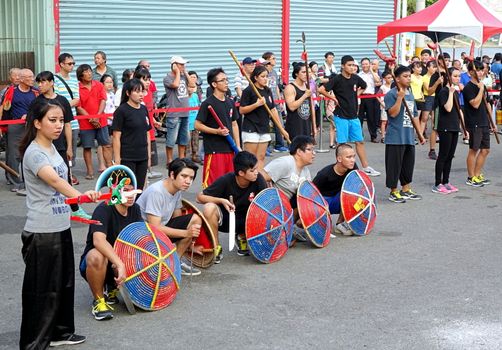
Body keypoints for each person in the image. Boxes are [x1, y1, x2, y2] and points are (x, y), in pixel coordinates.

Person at [18, 99, 99, 349]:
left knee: (63, 284)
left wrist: (78, 206)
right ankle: (34, 343)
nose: (57, 125)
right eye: (52, 120)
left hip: (60, 225)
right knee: (41, 291)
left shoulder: (54, 149)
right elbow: (54, 181)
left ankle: (60, 333)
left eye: (61, 120)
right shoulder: (34, 152)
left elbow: (64, 186)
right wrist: (81, 195)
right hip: (42, 232)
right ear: (37, 123)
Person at [31, 71, 91, 219]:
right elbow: (32, 126)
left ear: (52, 82)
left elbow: (68, 125)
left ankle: (76, 209)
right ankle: (50, 209)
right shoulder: (37, 103)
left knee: (66, 177)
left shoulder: (63, 100)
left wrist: (70, 146)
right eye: (38, 82)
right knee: (49, 179)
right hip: (43, 147)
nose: (40, 85)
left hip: (61, 146)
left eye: (43, 82)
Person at [79, 183, 142, 321]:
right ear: (115, 192)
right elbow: (98, 241)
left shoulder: (135, 208)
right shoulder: (104, 209)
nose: (131, 195)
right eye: (126, 191)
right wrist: (119, 263)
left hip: (119, 260)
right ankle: (99, 301)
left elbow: (139, 239)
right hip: (97, 263)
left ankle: (112, 286)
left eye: (134, 191)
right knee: (97, 255)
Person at [136, 158, 203, 276]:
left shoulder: (177, 189)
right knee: (188, 231)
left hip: (160, 229)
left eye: (191, 178)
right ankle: (169, 263)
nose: (188, 181)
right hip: (144, 235)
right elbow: (154, 227)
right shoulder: (156, 192)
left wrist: (186, 242)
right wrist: (186, 234)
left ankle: (175, 262)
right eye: (184, 176)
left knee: (195, 220)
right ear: (172, 174)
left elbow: (176, 218)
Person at [318, 55, 381, 177]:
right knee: (342, 145)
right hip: (341, 115)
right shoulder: (337, 79)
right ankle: (341, 169)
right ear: (342, 66)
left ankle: (366, 167)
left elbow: (364, 86)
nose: (352, 67)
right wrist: (333, 98)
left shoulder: (356, 78)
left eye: (353, 65)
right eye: (349, 65)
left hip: (353, 116)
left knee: (360, 141)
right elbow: (321, 89)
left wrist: (356, 94)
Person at [197, 151, 267, 257]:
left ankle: (242, 237)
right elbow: (200, 197)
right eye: (252, 170)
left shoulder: (258, 179)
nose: (256, 172)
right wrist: (221, 200)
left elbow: (266, 202)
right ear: (241, 173)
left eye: (256, 169)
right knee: (209, 207)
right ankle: (215, 246)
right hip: (227, 219)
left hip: (248, 219)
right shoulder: (225, 180)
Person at [384, 65, 425, 203]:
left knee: (408, 164)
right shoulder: (391, 94)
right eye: (405, 76)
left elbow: (414, 116)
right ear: (397, 78)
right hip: (395, 137)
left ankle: (406, 189)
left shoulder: (410, 93)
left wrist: (420, 133)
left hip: (408, 136)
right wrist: (399, 98)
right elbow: (393, 114)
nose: (408, 79)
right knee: (394, 166)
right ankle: (393, 191)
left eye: (409, 76)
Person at [261, 135, 315, 240]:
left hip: (287, 206)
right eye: (309, 150)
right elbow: (260, 178)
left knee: (304, 196)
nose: (313, 154)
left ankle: (289, 227)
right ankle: (275, 229)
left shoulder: (306, 171)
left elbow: (308, 196)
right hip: (273, 205)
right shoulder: (285, 163)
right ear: (299, 152)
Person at [195, 67, 240, 188]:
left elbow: (234, 124)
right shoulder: (208, 104)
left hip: (230, 149)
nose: (226, 83)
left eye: (227, 79)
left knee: (230, 184)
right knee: (213, 185)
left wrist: (238, 146)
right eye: (222, 80)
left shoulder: (230, 102)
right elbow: (197, 125)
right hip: (214, 150)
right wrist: (216, 131)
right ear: (214, 84)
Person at [240, 65, 289, 171]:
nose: (265, 79)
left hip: (264, 128)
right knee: (250, 159)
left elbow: (273, 110)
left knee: (261, 157)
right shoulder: (249, 90)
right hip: (251, 128)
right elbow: (242, 110)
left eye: (267, 76)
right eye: (262, 76)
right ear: (256, 77)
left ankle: (259, 178)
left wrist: (282, 129)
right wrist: (256, 104)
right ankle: (249, 180)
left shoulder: (267, 90)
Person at [1, 68, 38, 194]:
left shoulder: (36, 92)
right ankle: (15, 181)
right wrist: (2, 127)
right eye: (29, 77)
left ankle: (30, 181)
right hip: (15, 126)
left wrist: (29, 115)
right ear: (21, 79)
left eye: (33, 76)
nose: (32, 79)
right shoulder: (11, 92)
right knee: (13, 155)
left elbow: (41, 108)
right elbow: (4, 108)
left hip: (32, 126)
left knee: (30, 153)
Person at [111, 79, 151, 190]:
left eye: (142, 91)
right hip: (127, 157)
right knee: (128, 189)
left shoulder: (143, 109)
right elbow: (116, 136)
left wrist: (148, 156)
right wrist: (118, 159)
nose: (141, 94)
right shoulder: (121, 111)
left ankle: (136, 207)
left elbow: (147, 133)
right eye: (137, 91)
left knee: (139, 189)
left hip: (142, 156)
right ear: (128, 93)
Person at [312, 143, 358, 236]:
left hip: (338, 200)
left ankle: (340, 224)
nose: (352, 160)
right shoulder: (324, 174)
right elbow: (311, 194)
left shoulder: (353, 168)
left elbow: (359, 186)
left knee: (354, 194)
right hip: (322, 203)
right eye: (349, 157)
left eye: (353, 156)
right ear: (339, 159)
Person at [432, 67, 465, 194]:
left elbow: (458, 110)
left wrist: (464, 128)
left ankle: (446, 181)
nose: (458, 78)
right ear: (449, 77)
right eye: (455, 76)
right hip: (445, 126)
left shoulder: (456, 92)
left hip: (454, 126)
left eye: (459, 76)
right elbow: (448, 108)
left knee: (450, 156)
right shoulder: (444, 92)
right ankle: (437, 183)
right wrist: (451, 92)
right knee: (443, 155)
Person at [76, 64, 112, 179]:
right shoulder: (78, 88)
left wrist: (97, 116)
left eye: (90, 71)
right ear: (81, 76)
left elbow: (103, 100)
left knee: (106, 144)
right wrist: (91, 118)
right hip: (85, 122)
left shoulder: (99, 85)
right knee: (87, 147)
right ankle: (90, 171)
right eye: (86, 72)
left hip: (101, 120)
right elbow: (79, 106)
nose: (90, 73)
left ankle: (110, 169)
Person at [463, 60, 495, 187]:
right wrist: (481, 89)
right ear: (471, 72)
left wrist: (491, 121)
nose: (481, 72)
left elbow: (486, 103)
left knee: (486, 149)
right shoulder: (468, 88)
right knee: (474, 149)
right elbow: (475, 104)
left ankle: (477, 174)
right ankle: (471, 177)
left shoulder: (482, 85)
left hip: (484, 121)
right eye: (478, 70)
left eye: (482, 69)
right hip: (474, 121)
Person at [54, 53, 81, 185]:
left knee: (71, 151)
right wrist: (65, 103)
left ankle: (69, 173)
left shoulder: (74, 80)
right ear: (61, 64)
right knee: (58, 150)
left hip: (73, 122)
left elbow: (77, 100)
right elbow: (56, 99)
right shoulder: (54, 79)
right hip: (58, 121)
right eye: (69, 64)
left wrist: (64, 103)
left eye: (73, 64)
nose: (72, 66)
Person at [163, 56, 190, 164]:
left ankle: (181, 158)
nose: (183, 66)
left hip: (185, 112)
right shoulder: (167, 78)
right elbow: (175, 84)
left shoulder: (184, 76)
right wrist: (178, 73)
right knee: (171, 138)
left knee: (184, 138)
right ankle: (169, 160)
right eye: (181, 64)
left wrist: (185, 72)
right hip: (174, 113)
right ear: (174, 65)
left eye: (184, 64)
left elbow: (192, 85)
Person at [262, 51, 288, 152]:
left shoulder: (274, 72)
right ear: (267, 60)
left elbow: (276, 86)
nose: (275, 60)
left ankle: (279, 144)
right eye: (273, 58)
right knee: (266, 125)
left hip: (275, 101)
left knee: (279, 123)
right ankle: (266, 147)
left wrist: (280, 100)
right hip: (266, 102)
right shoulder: (263, 72)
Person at [283, 62, 313, 140]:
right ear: (296, 73)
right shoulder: (290, 87)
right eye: (303, 72)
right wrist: (305, 95)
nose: (306, 74)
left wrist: (314, 126)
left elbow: (311, 107)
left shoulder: (307, 87)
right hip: (295, 127)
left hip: (306, 126)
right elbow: (292, 107)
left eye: (308, 72)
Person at [421, 60, 442, 160]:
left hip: (449, 103)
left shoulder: (451, 72)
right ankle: (432, 150)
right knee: (435, 127)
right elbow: (429, 91)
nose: (446, 62)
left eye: (448, 60)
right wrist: (437, 82)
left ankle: (445, 149)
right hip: (437, 103)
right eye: (444, 60)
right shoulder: (435, 76)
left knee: (447, 128)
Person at [358, 57, 382, 143]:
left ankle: (373, 136)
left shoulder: (373, 73)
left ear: (369, 64)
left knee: (371, 118)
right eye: (363, 64)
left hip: (371, 97)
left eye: (366, 64)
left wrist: (371, 70)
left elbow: (378, 80)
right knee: (359, 117)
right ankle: (359, 136)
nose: (365, 66)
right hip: (361, 97)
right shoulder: (359, 74)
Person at [187, 71, 202, 163]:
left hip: (195, 121)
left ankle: (195, 155)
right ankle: (187, 156)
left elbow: (198, 107)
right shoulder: (184, 98)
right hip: (187, 122)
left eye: (193, 87)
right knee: (187, 141)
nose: (191, 89)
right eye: (189, 87)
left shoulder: (196, 96)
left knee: (195, 140)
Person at [378, 70, 393, 143]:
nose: (390, 79)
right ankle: (383, 136)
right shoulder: (382, 87)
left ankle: (391, 135)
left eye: (391, 77)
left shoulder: (393, 86)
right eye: (388, 78)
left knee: (392, 121)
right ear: (384, 79)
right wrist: (382, 103)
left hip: (392, 106)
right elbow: (377, 96)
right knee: (384, 121)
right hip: (385, 106)